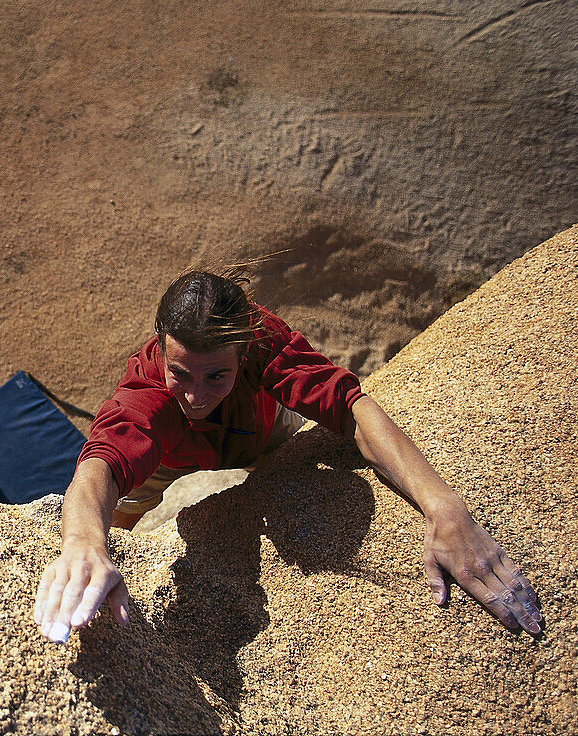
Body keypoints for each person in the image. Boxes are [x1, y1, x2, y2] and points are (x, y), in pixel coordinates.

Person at [34, 268, 542, 644]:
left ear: (243, 348)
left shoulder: (263, 341)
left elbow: (351, 408)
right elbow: (101, 463)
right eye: (180, 372)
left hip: (262, 432)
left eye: (216, 375)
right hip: (172, 451)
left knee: (288, 437)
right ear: (163, 350)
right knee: (118, 517)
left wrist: (445, 509)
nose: (194, 394)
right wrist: (83, 541)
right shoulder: (150, 394)